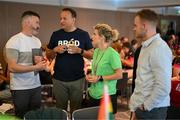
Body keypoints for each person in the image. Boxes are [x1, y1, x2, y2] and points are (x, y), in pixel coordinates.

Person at [47, 8, 93, 113]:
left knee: (75, 110)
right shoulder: (56, 34)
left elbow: (92, 55)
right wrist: (55, 49)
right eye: (60, 18)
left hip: (77, 79)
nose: (61, 21)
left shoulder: (83, 34)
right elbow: (48, 53)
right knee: (60, 110)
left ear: (73, 19)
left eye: (64, 18)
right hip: (59, 79)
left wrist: (80, 51)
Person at [129, 9, 172, 120]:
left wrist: (145, 106)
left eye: (135, 25)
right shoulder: (146, 46)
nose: (134, 29)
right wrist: (136, 107)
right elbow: (142, 80)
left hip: (152, 110)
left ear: (144, 26)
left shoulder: (159, 48)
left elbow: (163, 87)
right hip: (142, 108)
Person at [5, 11, 47, 118]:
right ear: (27, 22)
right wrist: (35, 67)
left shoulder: (37, 41)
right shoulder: (14, 41)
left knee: (36, 115)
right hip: (20, 88)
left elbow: (38, 62)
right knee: (21, 116)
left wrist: (41, 62)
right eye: (37, 22)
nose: (39, 26)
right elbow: (12, 67)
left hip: (36, 86)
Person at [86, 23, 122, 116]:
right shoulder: (96, 51)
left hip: (107, 96)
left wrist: (100, 78)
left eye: (94, 34)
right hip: (93, 94)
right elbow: (97, 70)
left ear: (101, 37)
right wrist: (91, 76)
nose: (91, 36)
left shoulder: (112, 54)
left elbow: (119, 74)